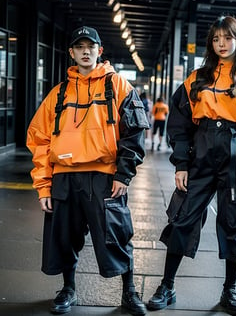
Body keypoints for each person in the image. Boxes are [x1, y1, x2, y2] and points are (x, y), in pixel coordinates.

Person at [147, 16, 236, 315]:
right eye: (215, 39)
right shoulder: (197, 79)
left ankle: (230, 290)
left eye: (227, 38)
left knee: (235, 224)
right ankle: (167, 286)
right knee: (182, 218)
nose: (221, 44)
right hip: (201, 153)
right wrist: (181, 163)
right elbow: (180, 124)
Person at [26, 26, 149, 315]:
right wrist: (44, 186)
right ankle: (68, 289)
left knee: (116, 236)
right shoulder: (58, 93)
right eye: (79, 47)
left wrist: (123, 174)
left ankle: (129, 293)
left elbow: (134, 132)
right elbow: (39, 140)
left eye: (90, 46)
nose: (85, 51)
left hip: (104, 177)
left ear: (99, 51)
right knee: (64, 237)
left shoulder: (118, 85)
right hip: (64, 178)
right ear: (71, 52)